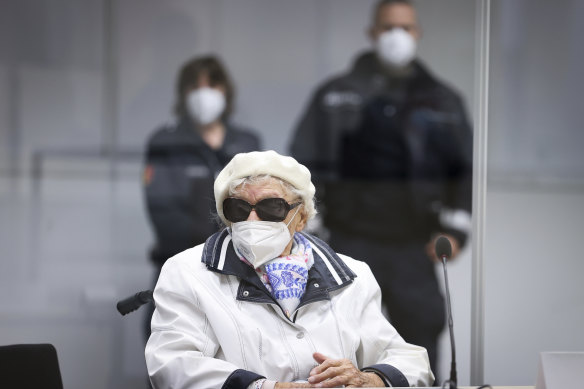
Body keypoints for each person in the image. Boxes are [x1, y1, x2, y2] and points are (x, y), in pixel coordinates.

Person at [145, 150, 434, 389]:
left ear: (302, 217)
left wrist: (370, 379)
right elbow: (171, 365)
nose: (253, 219)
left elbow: (411, 361)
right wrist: (267, 388)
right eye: (238, 208)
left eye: (271, 207)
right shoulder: (187, 272)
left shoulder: (352, 275)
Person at [289, 0, 472, 375]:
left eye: (405, 27)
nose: (397, 36)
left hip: (413, 245)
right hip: (348, 241)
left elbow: (461, 173)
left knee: (419, 336)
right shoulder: (335, 95)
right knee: (339, 338)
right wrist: (309, 227)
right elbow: (303, 164)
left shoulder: (443, 101)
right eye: (388, 27)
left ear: (417, 33)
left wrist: (454, 232)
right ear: (373, 33)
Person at [143, 55, 262, 341]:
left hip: (240, 269)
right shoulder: (165, 142)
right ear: (183, 94)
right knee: (171, 349)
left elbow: (259, 203)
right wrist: (206, 253)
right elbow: (161, 208)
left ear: (226, 91)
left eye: (212, 85)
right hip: (179, 264)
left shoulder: (247, 143)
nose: (204, 94)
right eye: (195, 87)